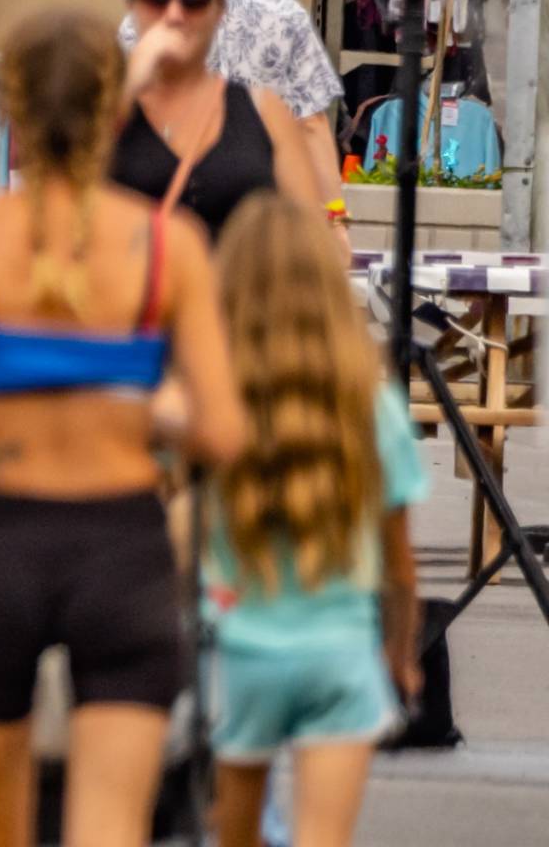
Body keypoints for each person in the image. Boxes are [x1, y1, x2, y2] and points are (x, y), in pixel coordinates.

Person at [0, 9, 245, 847]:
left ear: (9, 109)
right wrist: (131, 401)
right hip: (124, 549)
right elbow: (222, 434)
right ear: (118, 108)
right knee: (112, 828)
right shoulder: (166, 246)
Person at [205, 192, 427, 847]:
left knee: (234, 834)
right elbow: (399, 562)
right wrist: (400, 656)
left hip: (238, 651)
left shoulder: (212, 397)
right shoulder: (373, 406)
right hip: (340, 652)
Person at [120, 0, 346, 206]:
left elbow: (121, 119)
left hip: (172, 208)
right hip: (262, 210)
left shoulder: (144, 22)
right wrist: (335, 215)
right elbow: (311, 123)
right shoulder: (285, 16)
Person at [109, 0, 321, 240]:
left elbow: (309, 235)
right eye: (157, 0)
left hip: (238, 285)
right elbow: (62, 194)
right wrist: (131, 81)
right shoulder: (100, 104)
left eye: (194, 2)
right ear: (133, 6)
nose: (174, 15)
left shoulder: (263, 111)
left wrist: (337, 216)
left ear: (219, 11)